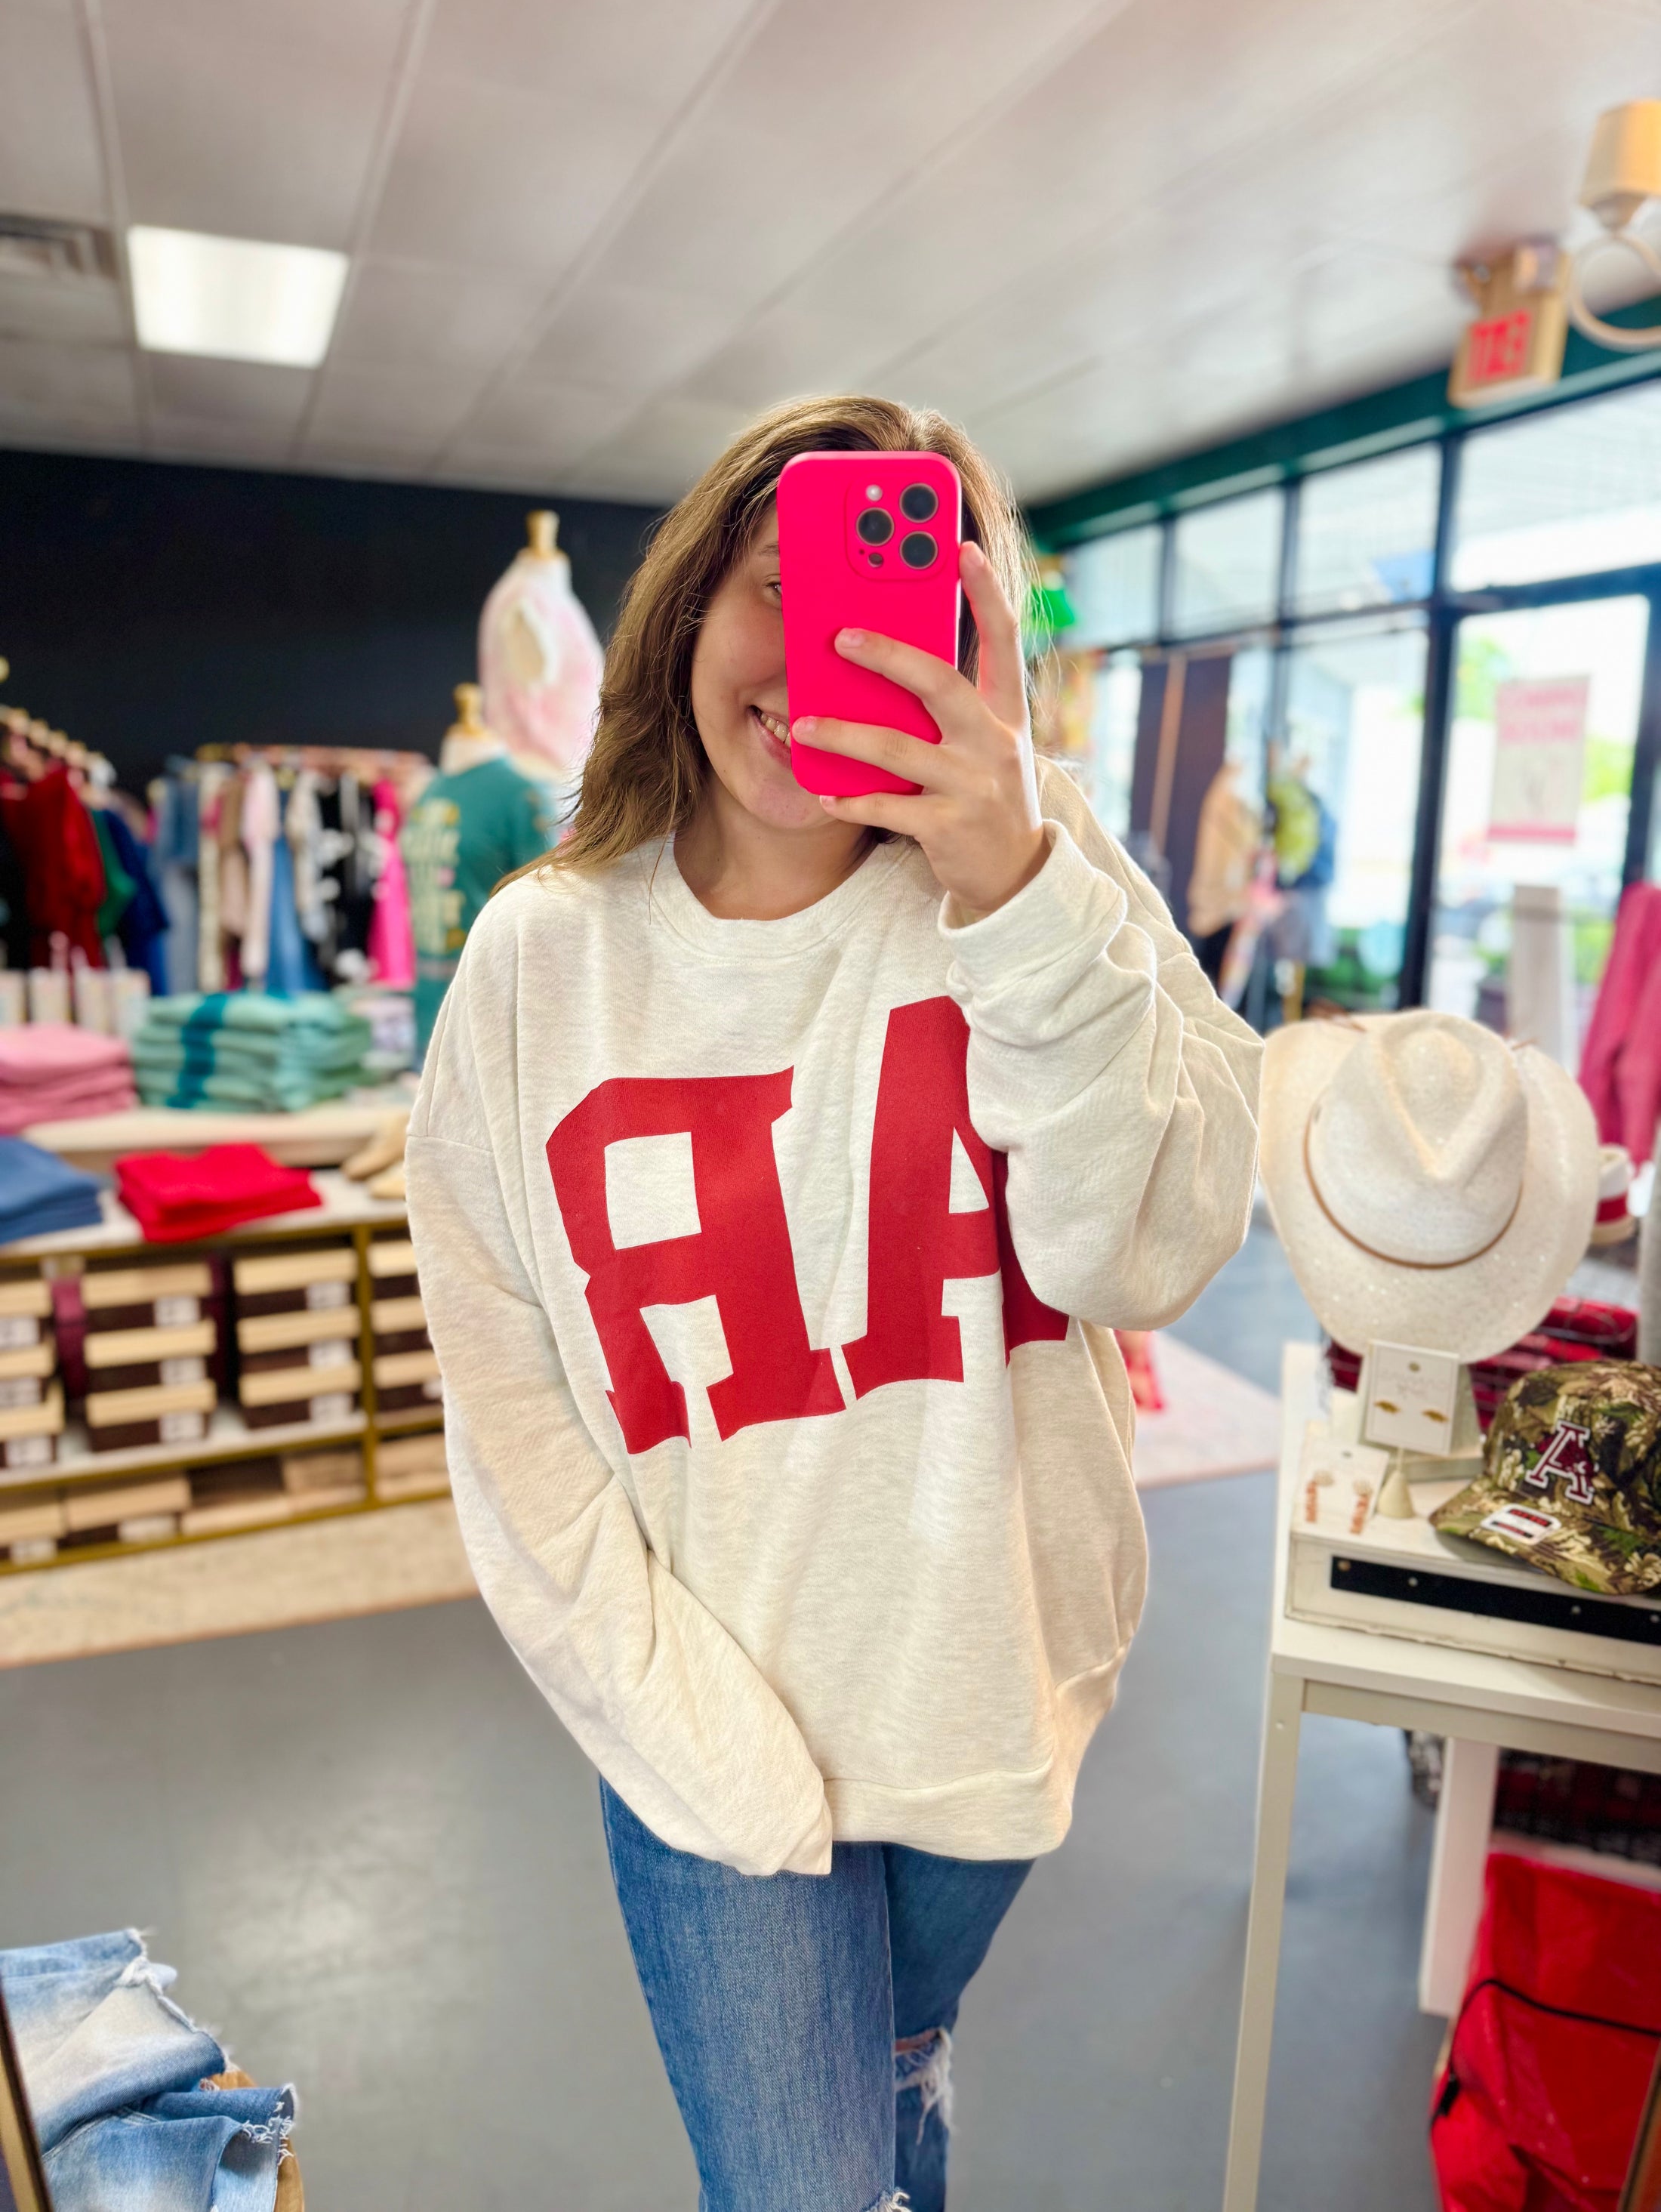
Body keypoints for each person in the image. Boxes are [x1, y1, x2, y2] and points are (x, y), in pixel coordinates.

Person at [406, 394, 1261, 2212]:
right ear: (684, 619)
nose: (820, 652)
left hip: (992, 1695)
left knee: (879, 2080)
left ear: (976, 649)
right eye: (772, 591)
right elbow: (506, 1394)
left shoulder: (1049, 869)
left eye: (893, 608)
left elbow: (1147, 1254)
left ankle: (902, 2083)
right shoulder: (538, 961)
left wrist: (1016, 883)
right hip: (714, 1731)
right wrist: (684, 1733)